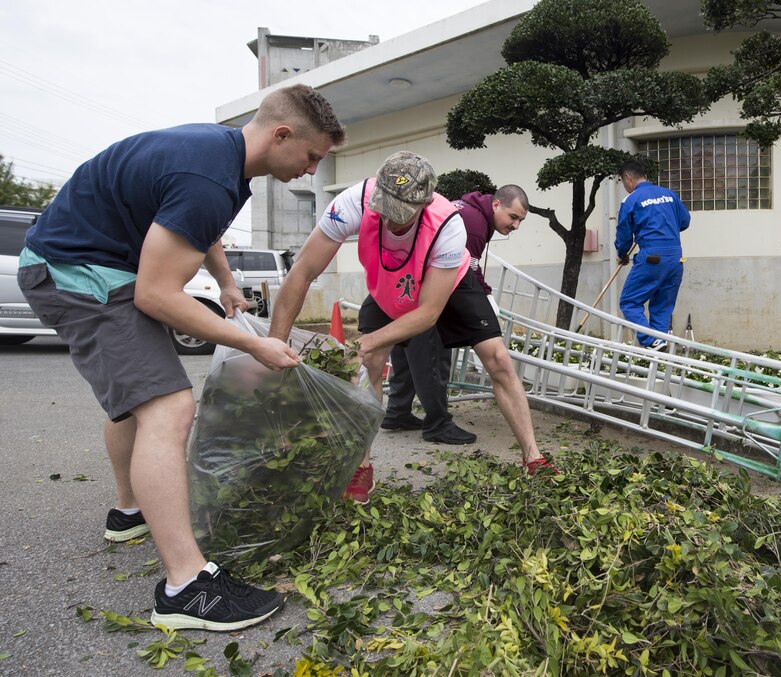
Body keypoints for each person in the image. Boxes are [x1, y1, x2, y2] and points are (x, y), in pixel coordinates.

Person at [18, 84, 346, 632]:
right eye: (312, 157)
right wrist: (251, 342)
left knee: (136, 398)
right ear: (282, 135)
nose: (311, 172)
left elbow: (196, 226)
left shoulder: (222, 157)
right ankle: (185, 587)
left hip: (85, 261)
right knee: (168, 406)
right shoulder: (210, 177)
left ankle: (130, 511)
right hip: (79, 271)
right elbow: (156, 294)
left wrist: (225, 282)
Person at [270, 152, 553, 505]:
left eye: (400, 212)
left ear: (423, 203)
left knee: (497, 359)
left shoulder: (449, 224)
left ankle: (533, 458)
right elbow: (302, 272)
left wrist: (367, 340)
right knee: (371, 364)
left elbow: (428, 314)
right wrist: (274, 345)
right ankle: (361, 467)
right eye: (385, 208)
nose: (390, 218)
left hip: (446, 283)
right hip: (390, 282)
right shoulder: (353, 202)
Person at [380, 184, 530, 446]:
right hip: (426, 286)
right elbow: (465, 270)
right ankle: (438, 424)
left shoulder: (465, 210)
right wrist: (485, 299)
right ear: (496, 205)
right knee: (432, 351)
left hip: (405, 280)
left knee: (405, 348)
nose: (516, 226)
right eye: (513, 217)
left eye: (520, 220)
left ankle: (398, 412)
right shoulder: (473, 223)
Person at [614, 159, 690, 351]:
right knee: (662, 306)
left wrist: (622, 254)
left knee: (629, 302)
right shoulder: (669, 195)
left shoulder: (630, 200)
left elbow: (624, 235)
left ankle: (649, 340)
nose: (625, 187)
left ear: (628, 178)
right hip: (675, 258)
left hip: (652, 257)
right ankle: (658, 349)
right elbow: (685, 221)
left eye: (623, 182)